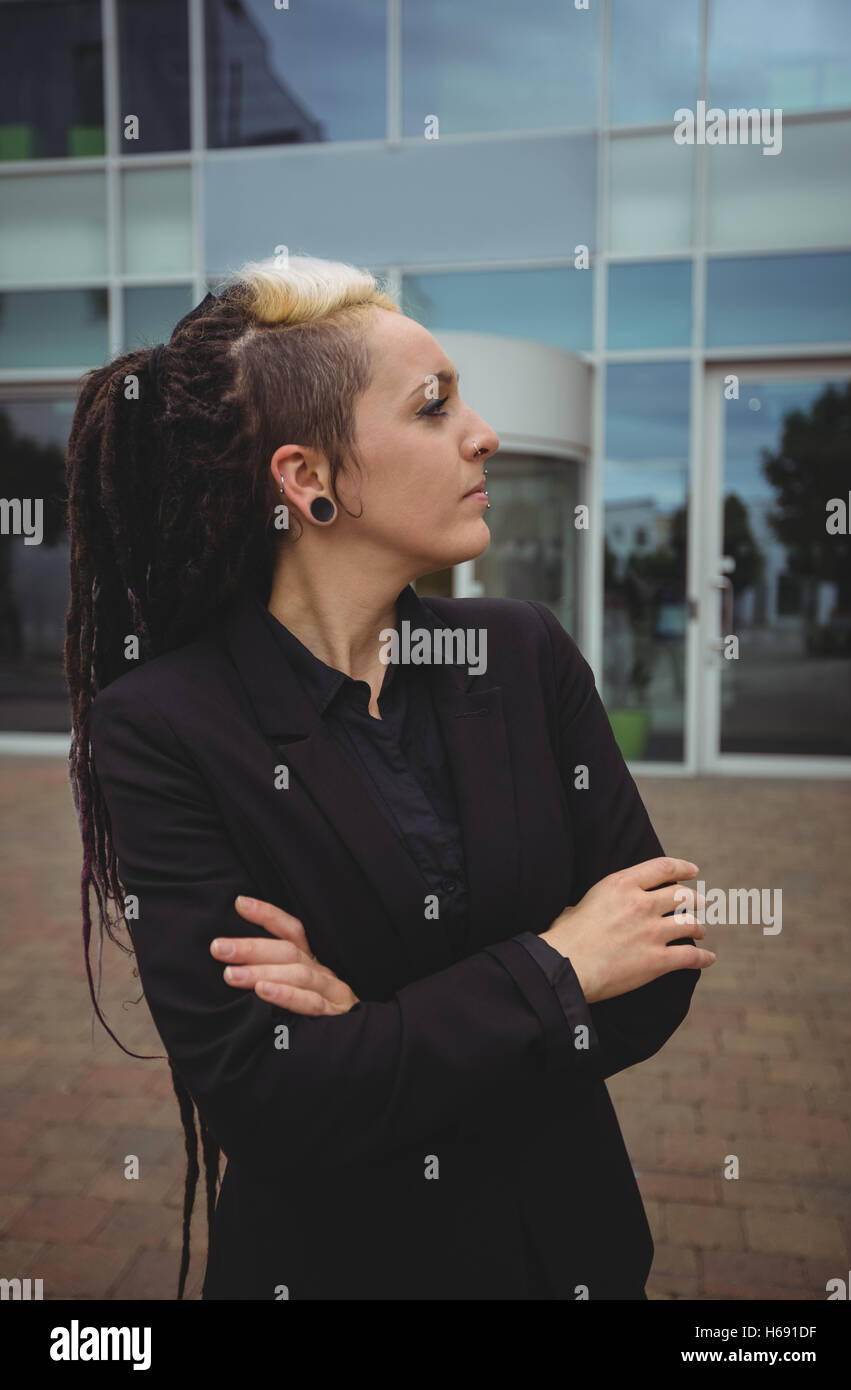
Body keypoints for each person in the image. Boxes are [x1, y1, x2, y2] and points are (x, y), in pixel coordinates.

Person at [64, 255, 714, 1301]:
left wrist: (374, 1032)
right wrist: (558, 965)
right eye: (432, 406)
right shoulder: (165, 727)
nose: (482, 434)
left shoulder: (523, 653)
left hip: (574, 1259)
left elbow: (662, 959)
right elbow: (265, 1093)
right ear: (308, 478)